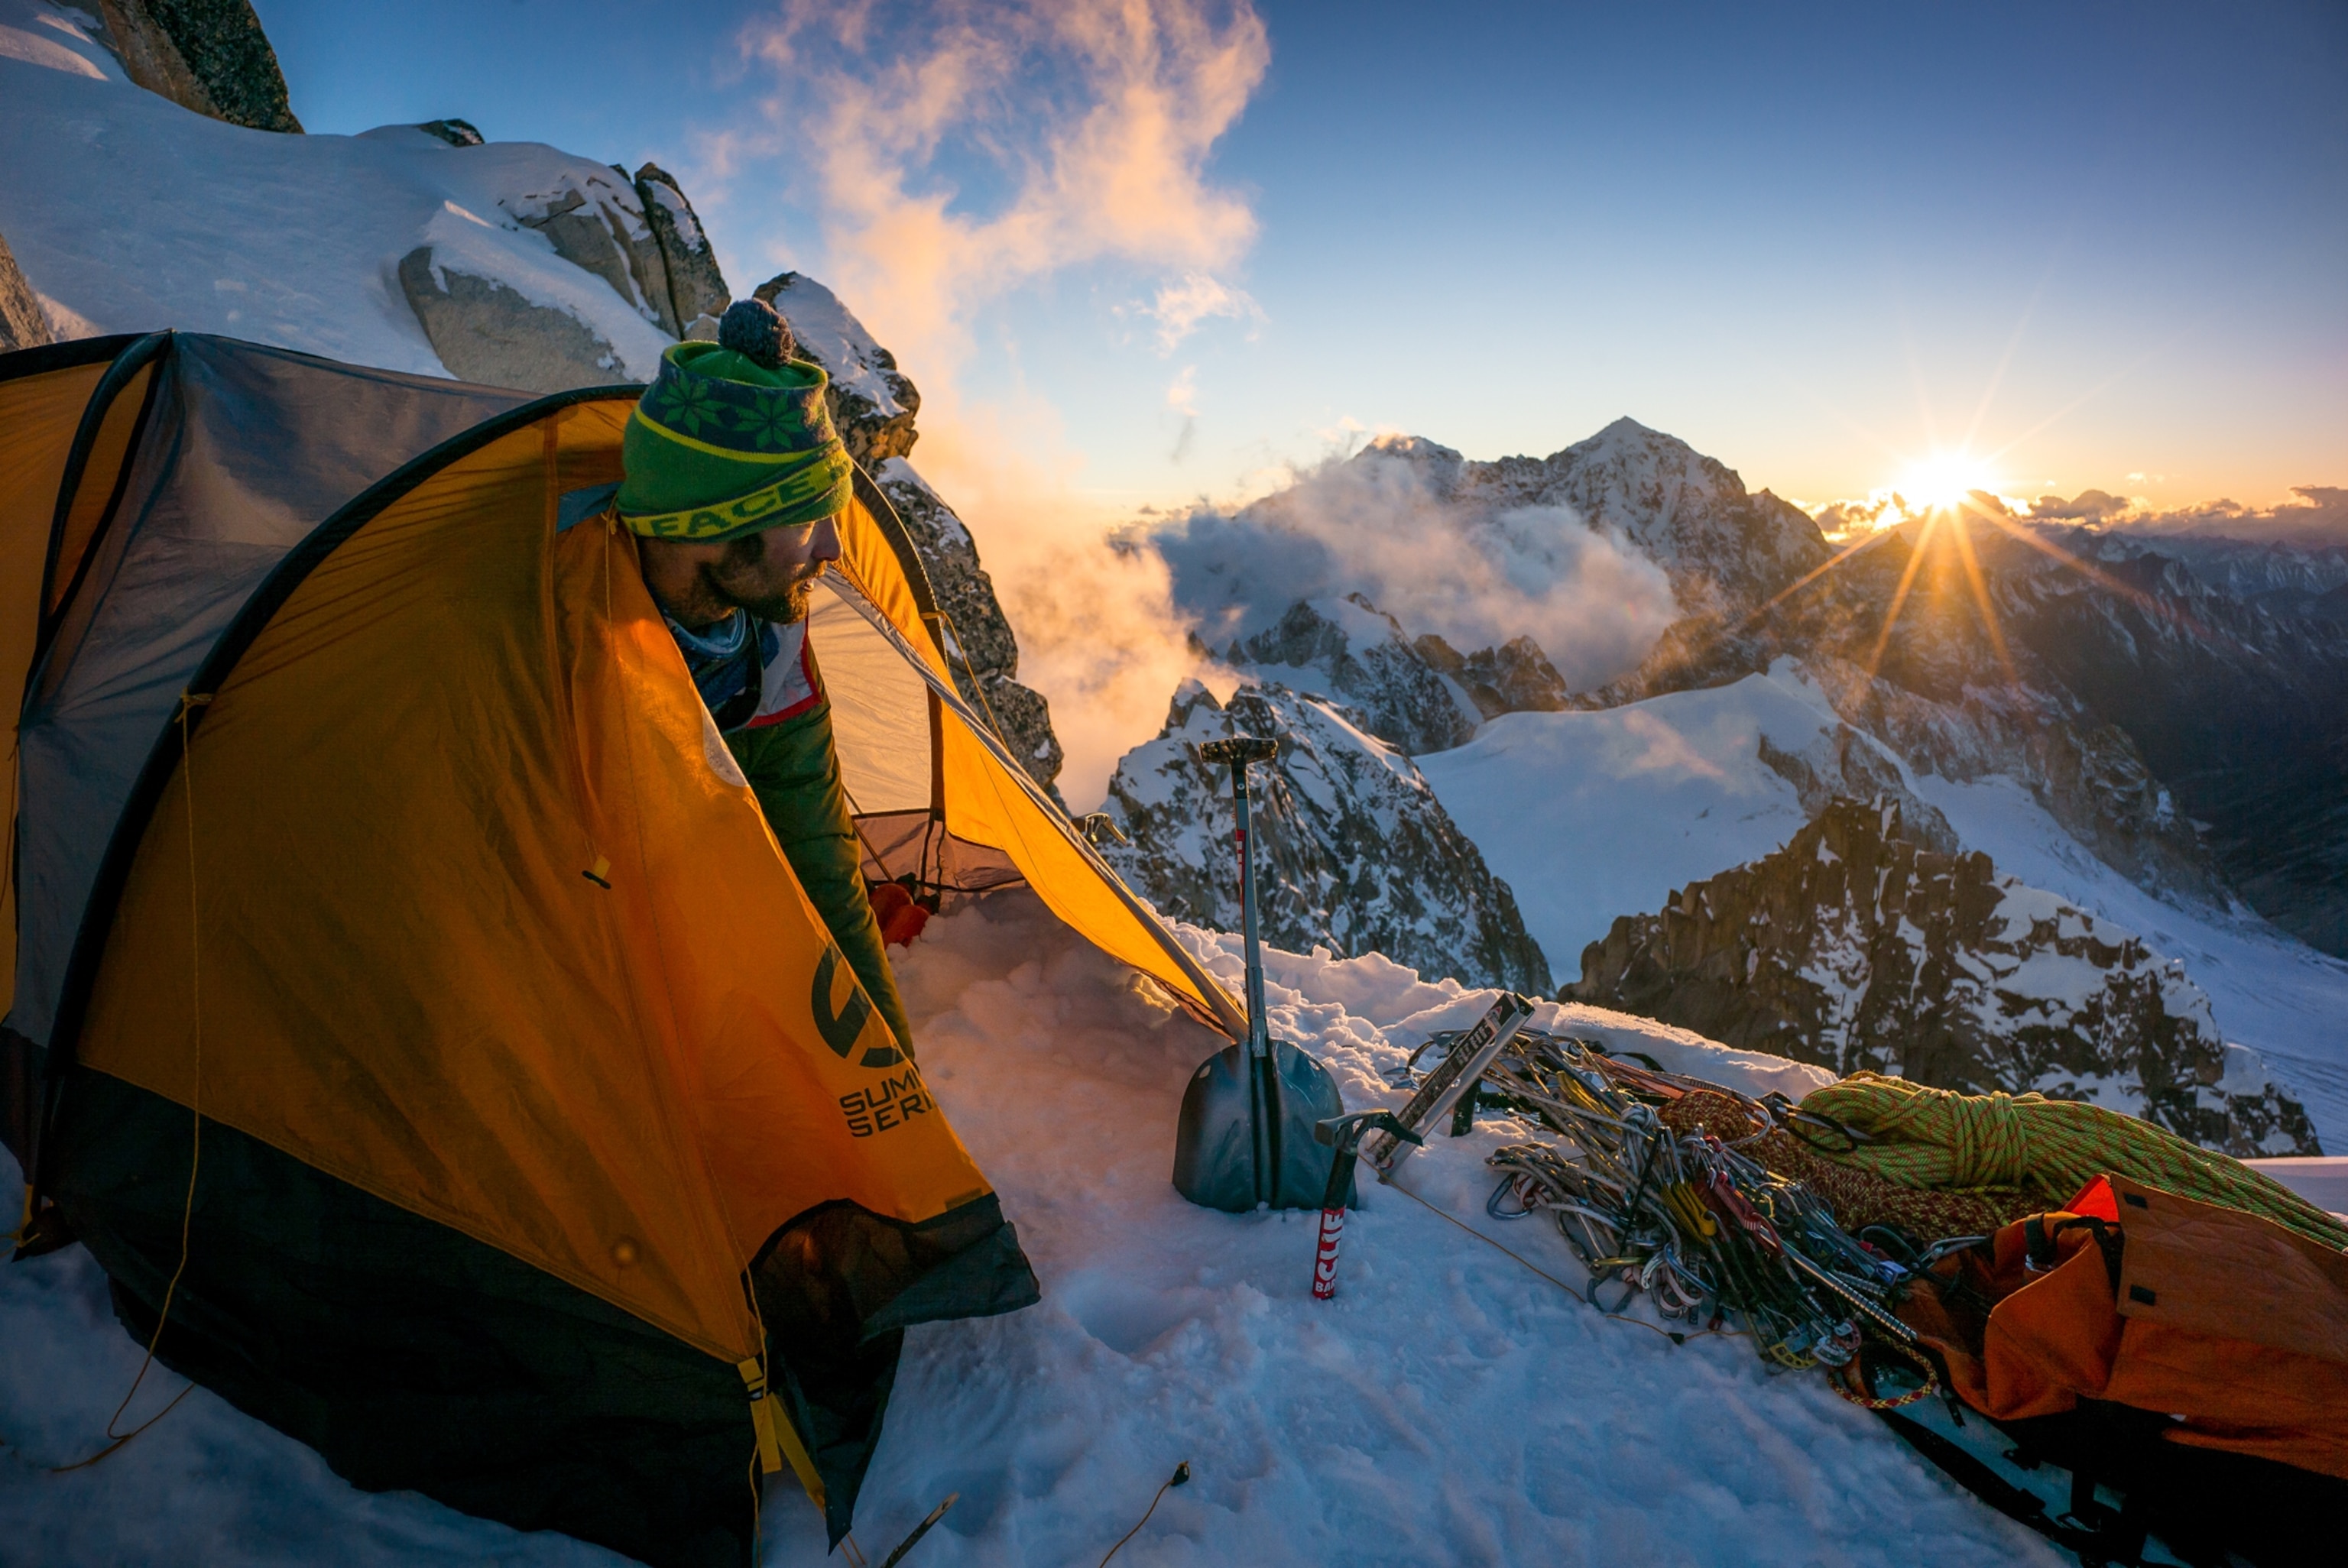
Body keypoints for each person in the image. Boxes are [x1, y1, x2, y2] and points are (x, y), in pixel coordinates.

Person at [613, 297, 914, 1055]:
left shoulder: (772, 645)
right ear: (708, 524)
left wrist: (895, 1073)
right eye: (811, 518)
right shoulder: (579, 651)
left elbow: (822, 868)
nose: (835, 550)